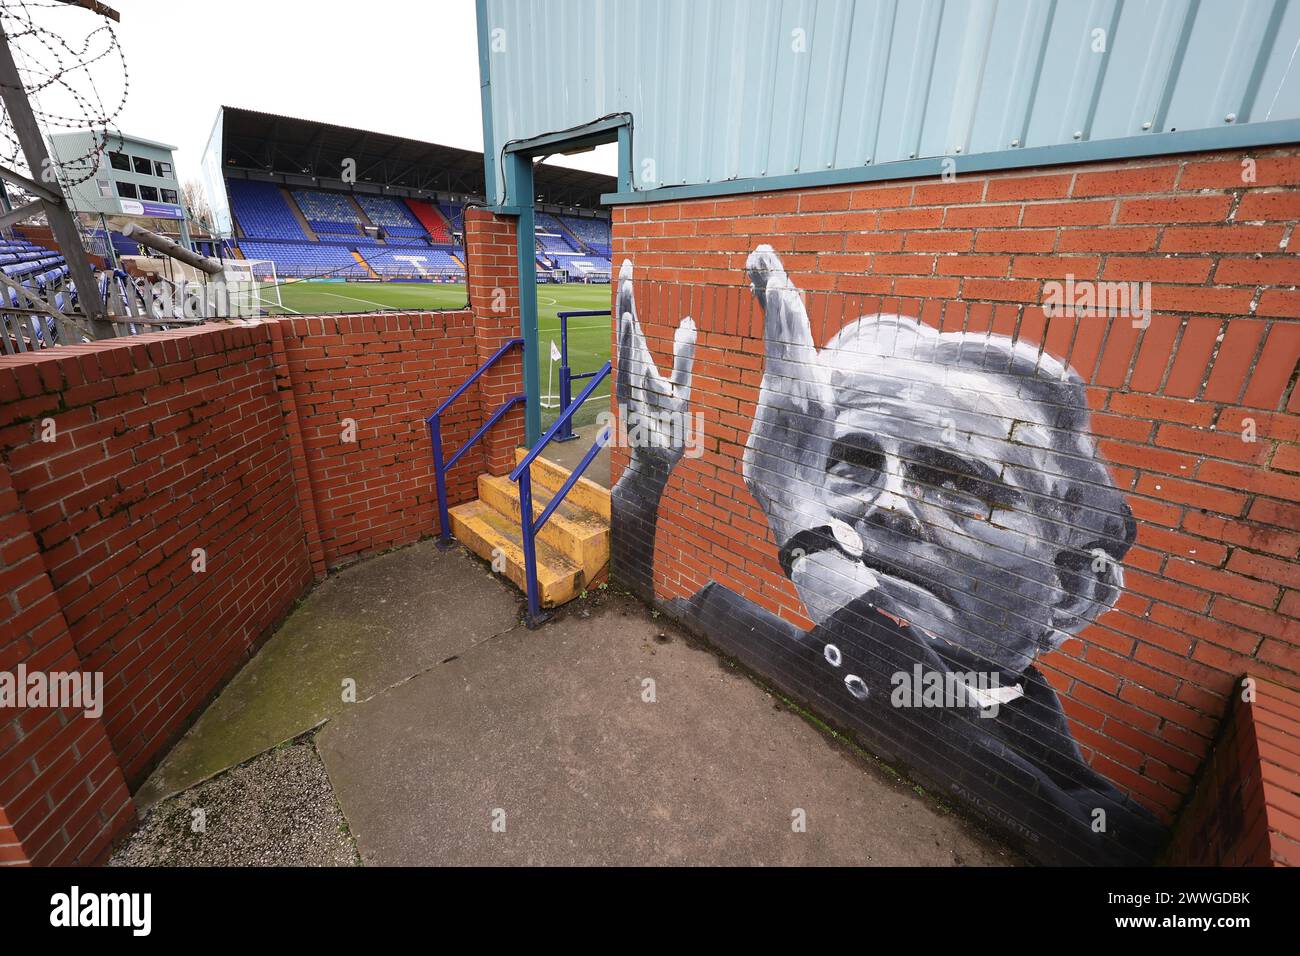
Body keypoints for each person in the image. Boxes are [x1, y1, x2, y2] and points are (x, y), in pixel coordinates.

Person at [610, 248, 1166, 865]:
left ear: (1073, 593)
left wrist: (799, 516)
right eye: (854, 460)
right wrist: (648, 471)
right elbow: (627, 610)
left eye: (958, 483)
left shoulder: (1109, 832)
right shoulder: (728, 622)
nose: (889, 507)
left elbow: (957, 757)